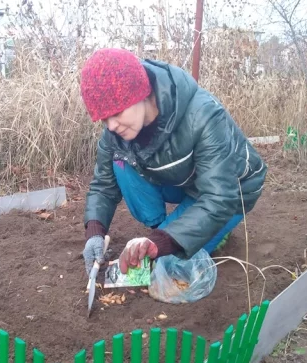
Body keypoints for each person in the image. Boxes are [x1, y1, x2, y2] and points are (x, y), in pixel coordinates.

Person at [79, 48, 267, 275]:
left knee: (169, 267)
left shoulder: (203, 115)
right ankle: (161, 228)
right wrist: (95, 232)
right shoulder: (115, 133)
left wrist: (163, 243)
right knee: (120, 161)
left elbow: (219, 197)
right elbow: (103, 186)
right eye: (104, 118)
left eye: (117, 112)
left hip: (232, 190)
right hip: (182, 178)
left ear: (142, 93)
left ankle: (212, 231)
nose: (111, 125)